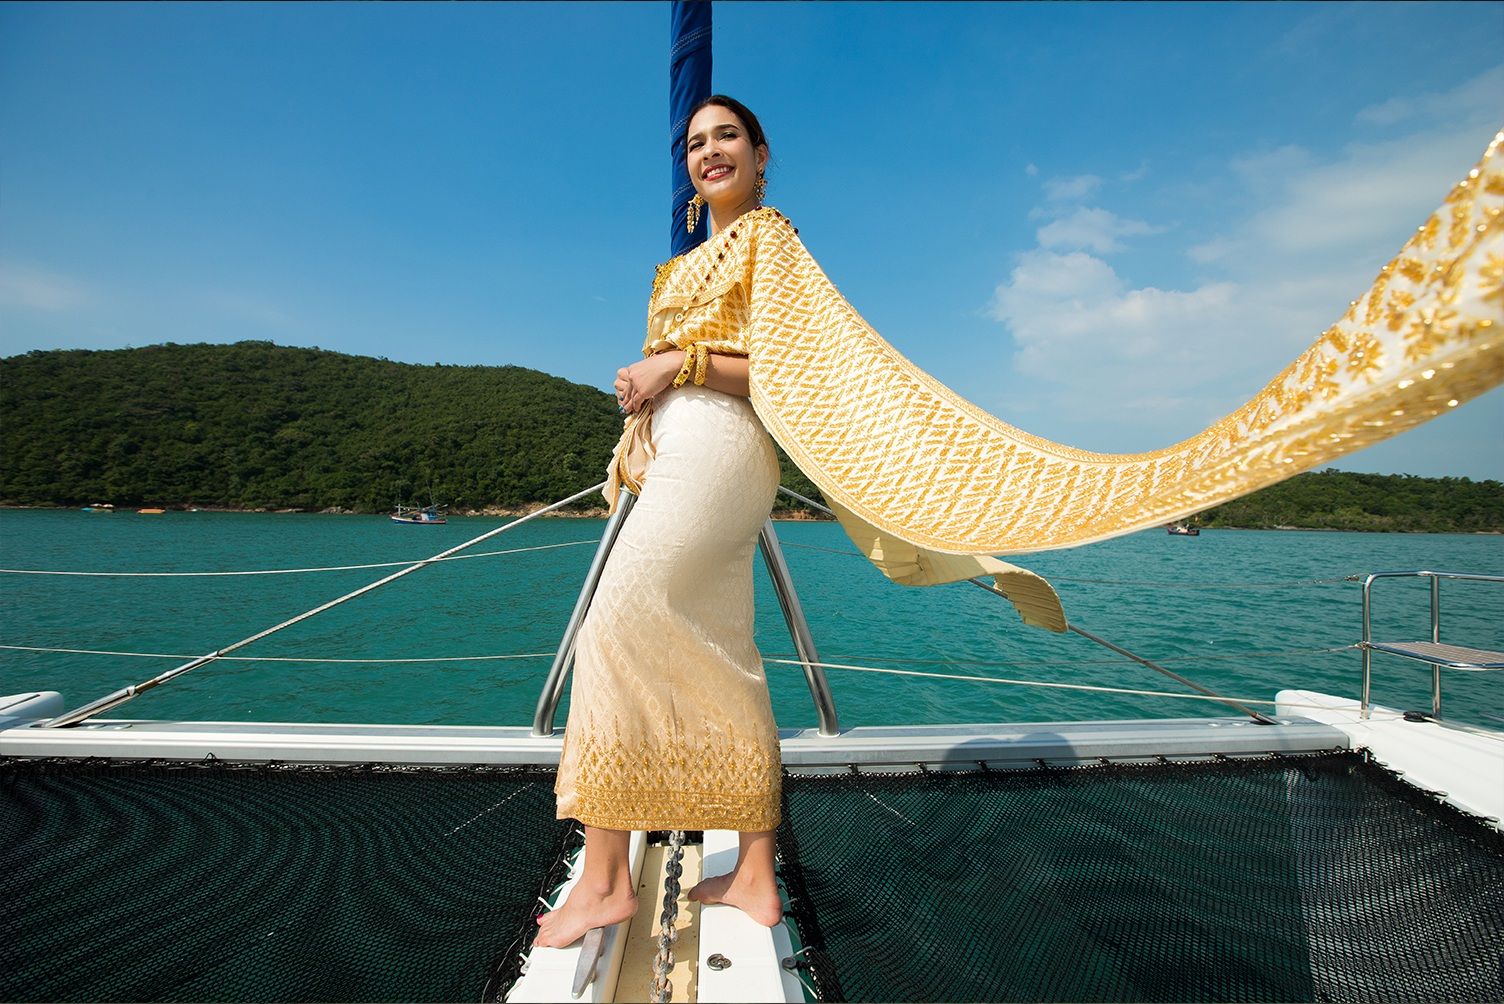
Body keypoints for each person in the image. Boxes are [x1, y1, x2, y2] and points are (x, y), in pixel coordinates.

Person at [536, 95, 787, 948]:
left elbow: (788, 372)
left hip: (723, 451)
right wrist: (651, 390)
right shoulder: (676, 266)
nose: (708, 151)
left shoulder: (770, 239)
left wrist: (674, 363)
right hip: (682, 455)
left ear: (760, 155)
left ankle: (605, 881)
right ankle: (754, 875)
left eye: (727, 137)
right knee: (722, 648)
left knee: (611, 626)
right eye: (695, 142)